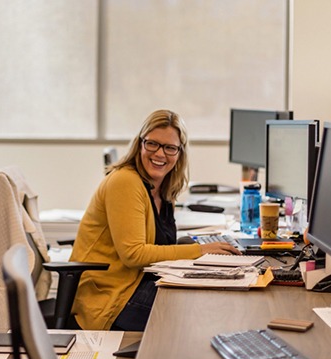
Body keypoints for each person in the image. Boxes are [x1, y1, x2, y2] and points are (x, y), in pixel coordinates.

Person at [69, 109, 239, 331]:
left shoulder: (164, 188)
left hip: (141, 283)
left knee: (212, 297)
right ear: (140, 144)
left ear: (179, 153)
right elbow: (134, 254)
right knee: (199, 316)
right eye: (152, 144)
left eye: (170, 148)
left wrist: (205, 250)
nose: (160, 154)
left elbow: (160, 246)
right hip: (111, 297)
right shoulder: (125, 182)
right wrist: (200, 250)